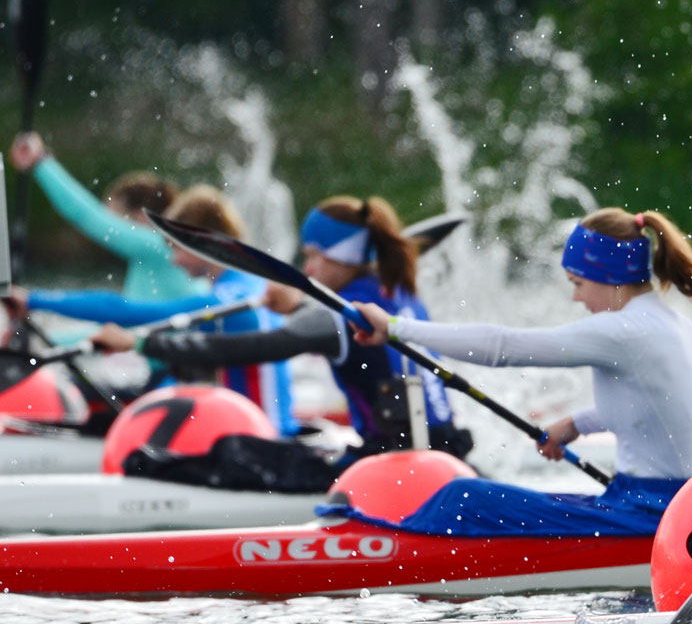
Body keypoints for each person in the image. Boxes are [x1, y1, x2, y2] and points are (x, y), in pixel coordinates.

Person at [346, 206, 692, 535]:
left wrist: (395, 328)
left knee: (464, 496)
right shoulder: (670, 321)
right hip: (682, 506)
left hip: (651, 515)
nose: (576, 297)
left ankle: (384, 543)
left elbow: (501, 347)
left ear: (607, 275)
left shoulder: (622, 331)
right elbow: (652, 407)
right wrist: (576, 424)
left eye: (578, 283)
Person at [90, 195, 472, 480]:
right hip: (441, 454)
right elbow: (322, 321)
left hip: (388, 468)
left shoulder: (335, 316)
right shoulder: (402, 294)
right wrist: (296, 308)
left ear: (344, 258)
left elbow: (256, 348)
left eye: (314, 256)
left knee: (230, 452)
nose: (307, 268)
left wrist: (140, 344)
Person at [8, 185, 298, 436]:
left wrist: (34, 300)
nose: (173, 261)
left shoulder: (227, 302)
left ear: (206, 243)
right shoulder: (251, 284)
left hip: (265, 436)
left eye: (177, 248)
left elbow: (123, 311)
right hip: (259, 425)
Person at [9, 132, 203, 300]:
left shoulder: (157, 247)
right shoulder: (159, 253)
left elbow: (84, 215)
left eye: (115, 218)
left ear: (142, 216)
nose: (110, 228)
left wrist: (41, 162)